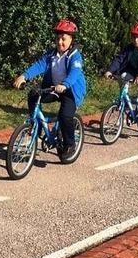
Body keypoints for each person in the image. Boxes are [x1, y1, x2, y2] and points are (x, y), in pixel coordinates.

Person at [14, 20, 87, 156]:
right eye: (58, 38)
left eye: (63, 39)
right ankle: (38, 125)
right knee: (33, 94)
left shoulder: (75, 56)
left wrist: (65, 84)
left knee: (65, 116)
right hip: (54, 87)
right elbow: (39, 65)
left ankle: (70, 144)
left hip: (71, 90)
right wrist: (24, 76)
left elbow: (74, 73)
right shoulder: (52, 54)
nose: (60, 42)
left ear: (71, 39)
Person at [104, 23, 138, 131]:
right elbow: (119, 59)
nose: (136, 40)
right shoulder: (129, 48)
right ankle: (125, 101)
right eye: (134, 37)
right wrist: (110, 70)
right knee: (123, 76)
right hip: (133, 72)